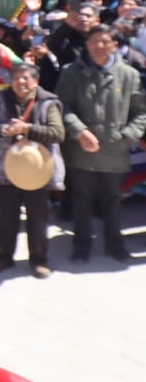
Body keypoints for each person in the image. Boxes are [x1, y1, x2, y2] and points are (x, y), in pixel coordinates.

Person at [55, 26, 146, 264]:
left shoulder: (129, 74)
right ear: (86, 44)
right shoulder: (71, 72)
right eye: (94, 41)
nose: (99, 46)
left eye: (105, 41)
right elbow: (62, 106)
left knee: (113, 199)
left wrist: (128, 135)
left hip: (115, 150)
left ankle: (115, 244)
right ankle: (81, 246)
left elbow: (140, 112)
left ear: (114, 45)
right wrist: (79, 131)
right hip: (81, 149)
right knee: (82, 199)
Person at [0, 63, 65, 278]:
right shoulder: (1, 100)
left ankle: (39, 260)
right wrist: (4, 129)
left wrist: (28, 129)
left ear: (36, 81)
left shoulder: (48, 102)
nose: (20, 82)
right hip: (7, 168)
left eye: (26, 78)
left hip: (38, 168)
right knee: (7, 217)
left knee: (38, 218)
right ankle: (4, 257)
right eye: (16, 78)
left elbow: (57, 133)